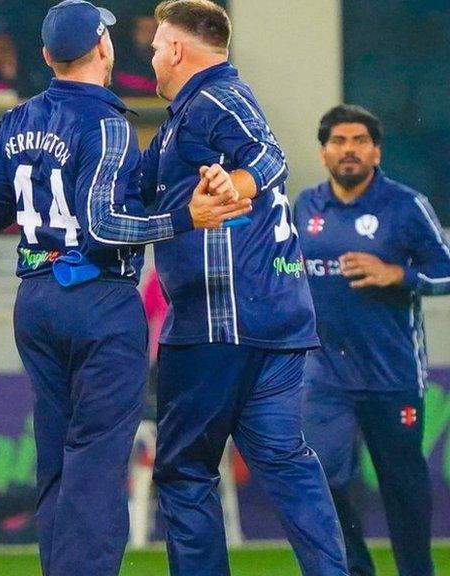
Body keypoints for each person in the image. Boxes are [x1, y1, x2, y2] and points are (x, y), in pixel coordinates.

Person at [0, 1, 250, 574]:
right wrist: (184, 218)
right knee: (95, 464)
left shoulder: (15, 120)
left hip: (36, 297)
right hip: (97, 300)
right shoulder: (108, 122)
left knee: (57, 464)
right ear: (103, 48)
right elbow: (102, 229)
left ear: (46, 56)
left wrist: (43, 219)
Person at [139, 2, 350, 575]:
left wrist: (232, 187)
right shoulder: (188, 118)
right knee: (285, 459)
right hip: (277, 317)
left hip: (219, 321)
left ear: (179, 50)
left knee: (184, 473)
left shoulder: (212, 99)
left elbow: (269, 156)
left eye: (158, 45)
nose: (153, 56)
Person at [294, 104, 448, 576]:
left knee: (404, 490)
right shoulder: (305, 207)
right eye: (338, 141)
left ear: (376, 151)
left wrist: (398, 274)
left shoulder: (405, 205)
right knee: (324, 479)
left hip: (391, 375)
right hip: (324, 377)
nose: (349, 149)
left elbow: (446, 271)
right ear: (323, 153)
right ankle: (356, 569)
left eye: (359, 140)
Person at [113, 15, 159, 97]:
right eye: (144, 29)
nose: (148, 34)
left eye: (153, 30)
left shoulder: (169, 62)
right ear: (134, 32)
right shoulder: (120, 59)